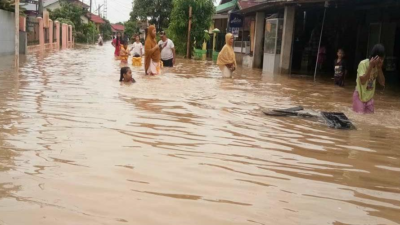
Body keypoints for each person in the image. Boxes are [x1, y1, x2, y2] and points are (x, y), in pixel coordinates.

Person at [352, 44, 386, 114]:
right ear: (375, 56)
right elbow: (363, 81)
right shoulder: (363, 64)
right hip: (360, 96)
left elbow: (382, 83)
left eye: (382, 59)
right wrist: (371, 66)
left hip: (369, 98)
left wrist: (379, 68)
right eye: (380, 58)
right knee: (359, 117)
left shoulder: (378, 67)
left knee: (369, 118)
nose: (381, 60)